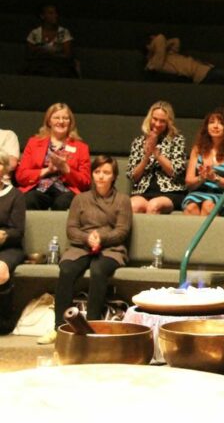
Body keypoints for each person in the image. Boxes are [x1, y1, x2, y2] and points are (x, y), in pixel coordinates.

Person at [37, 155, 132, 344]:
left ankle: (91, 327)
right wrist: (88, 238)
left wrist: (101, 238)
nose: (101, 176)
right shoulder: (80, 199)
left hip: (111, 248)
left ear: (114, 176)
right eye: (97, 172)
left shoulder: (122, 200)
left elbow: (122, 231)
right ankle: (59, 328)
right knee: (67, 270)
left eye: (106, 172)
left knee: (98, 270)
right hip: (81, 246)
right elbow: (72, 229)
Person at [16, 103, 91, 210]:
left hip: (66, 191)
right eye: (56, 117)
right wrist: (47, 170)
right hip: (39, 188)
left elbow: (86, 182)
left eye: (65, 118)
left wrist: (66, 169)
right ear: (49, 121)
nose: (61, 121)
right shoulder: (34, 143)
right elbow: (21, 176)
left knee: (63, 203)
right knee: (29, 199)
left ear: (70, 122)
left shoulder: (81, 147)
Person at [182, 108, 224, 216]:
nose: (215, 126)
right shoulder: (198, 149)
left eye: (220, 123)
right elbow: (189, 183)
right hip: (198, 193)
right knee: (191, 207)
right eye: (211, 122)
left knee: (208, 205)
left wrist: (215, 178)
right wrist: (201, 178)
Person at [127, 101, 187, 214]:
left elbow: (175, 172)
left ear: (168, 122)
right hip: (143, 191)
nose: (157, 124)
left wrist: (156, 152)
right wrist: (146, 157)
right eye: (155, 119)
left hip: (170, 191)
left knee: (153, 206)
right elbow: (133, 176)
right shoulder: (138, 142)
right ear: (149, 118)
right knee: (132, 206)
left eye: (162, 121)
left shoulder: (177, 140)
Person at [0, 152, 25, 334]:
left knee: (0, 271)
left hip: (8, 247)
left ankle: (4, 322)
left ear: (4, 169)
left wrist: (4, 235)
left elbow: (18, 232)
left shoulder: (15, 195)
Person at [145, 33, 224, 84]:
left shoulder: (166, 54)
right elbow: (160, 38)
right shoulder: (154, 63)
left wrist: (163, 45)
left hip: (206, 69)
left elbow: (176, 41)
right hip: (201, 75)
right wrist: (155, 43)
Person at [23, 4, 79, 78]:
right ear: (42, 16)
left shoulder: (63, 32)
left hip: (59, 66)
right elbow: (29, 54)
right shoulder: (35, 33)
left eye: (55, 13)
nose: (55, 16)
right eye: (51, 13)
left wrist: (51, 54)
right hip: (39, 66)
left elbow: (67, 55)